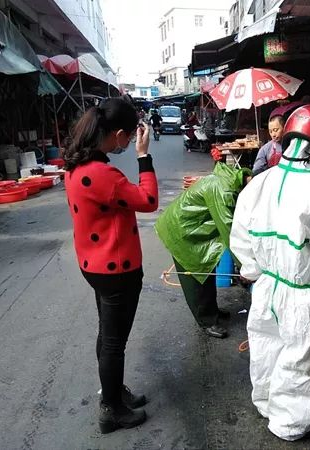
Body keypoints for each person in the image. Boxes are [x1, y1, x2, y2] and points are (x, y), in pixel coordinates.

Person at [230, 104, 310, 441]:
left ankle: (266, 404)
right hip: (304, 296)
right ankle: (289, 425)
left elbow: (240, 237)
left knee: (267, 349)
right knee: (302, 360)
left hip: (266, 290)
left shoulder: (260, 183)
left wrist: (253, 270)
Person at [63, 98, 158, 434]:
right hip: (117, 269)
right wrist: (143, 157)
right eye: (130, 137)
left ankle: (113, 393)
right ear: (118, 135)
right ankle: (112, 409)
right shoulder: (103, 174)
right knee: (114, 342)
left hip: (95, 265)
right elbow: (148, 200)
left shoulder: (77, 165)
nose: (130, 142)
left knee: (108, 334)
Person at [155, 162, 252, 339]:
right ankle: (206, 320)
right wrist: (245, 267)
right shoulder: (223, 191)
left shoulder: (231, 179)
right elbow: (230, 232)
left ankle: (211, 310)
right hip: (182, 231)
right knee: (195, 278)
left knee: (207, 271)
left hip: (194, 227)